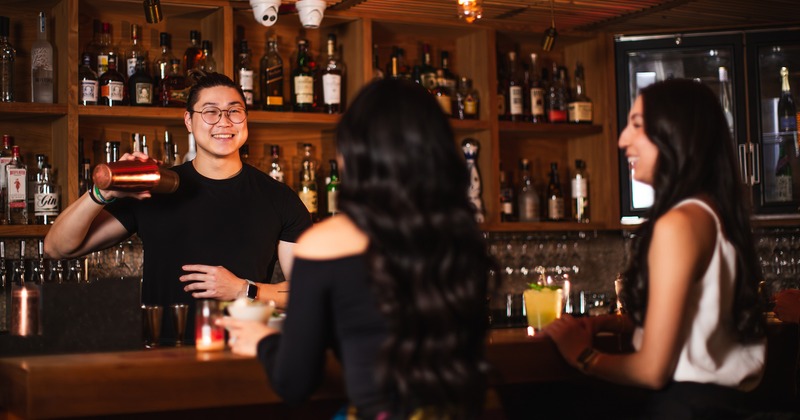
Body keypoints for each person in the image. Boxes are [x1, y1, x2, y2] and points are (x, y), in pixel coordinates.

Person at [220, 78, 497, 419]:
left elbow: (296, 383)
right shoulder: (459, 233)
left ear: (354, 153)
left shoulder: (327, 242)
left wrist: (263, 340)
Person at [544, 79, 766, 418]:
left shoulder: (677, 223)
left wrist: (581, 355)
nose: (622, 140)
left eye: (637, 126)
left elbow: (652, 370)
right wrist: (614, 323)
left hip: (684, 408)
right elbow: (701, 322)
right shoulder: (712, 211)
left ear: (675, 133)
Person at [44, 71, 312, 344]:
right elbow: (57, 248)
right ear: (188, 121)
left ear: (246, 119)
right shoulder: (157, 188)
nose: (224, 122)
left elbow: (311, 292)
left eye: (234, 111)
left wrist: (245, 289)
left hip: (243, 360)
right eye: (210, 112)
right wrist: (103, 192)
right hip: (162, 358)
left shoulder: (279, 198)